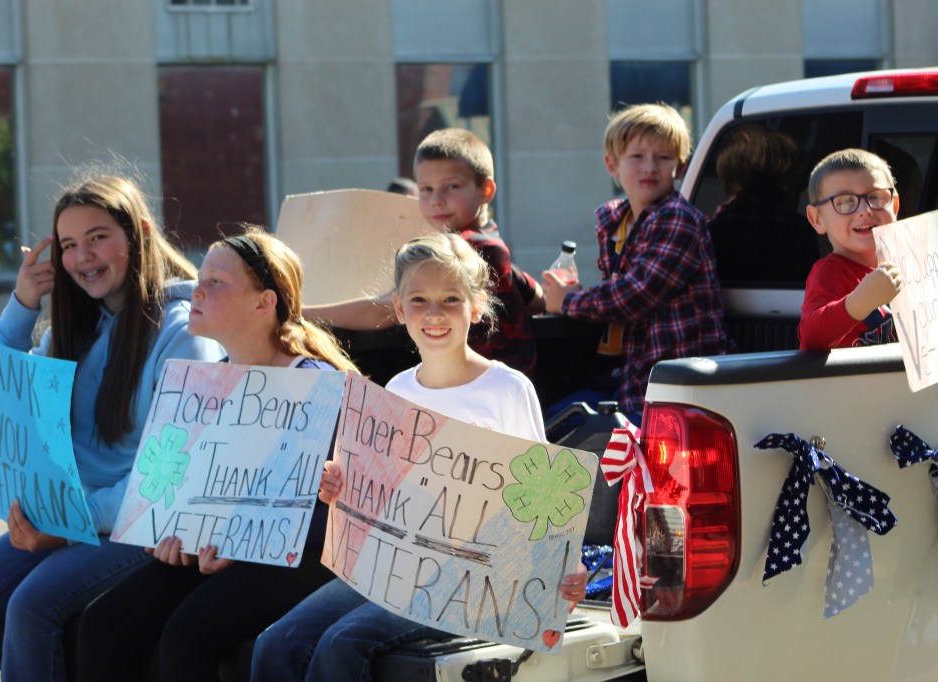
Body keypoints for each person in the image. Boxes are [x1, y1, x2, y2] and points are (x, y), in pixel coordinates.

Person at [0, 173, 225, 682]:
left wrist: (68, 527)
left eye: (98, 237)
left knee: (31, 609)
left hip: (129, 524)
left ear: (140, 234)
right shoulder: (76, 325)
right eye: (67, 245)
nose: (82, 257)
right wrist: (20, 309)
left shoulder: (184, 334)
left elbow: (169, 478)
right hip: (62, 518)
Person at [250, 232, 586, 682]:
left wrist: (564, 564)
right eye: (420, 299)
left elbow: (546, 498)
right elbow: (383, 500)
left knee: (340, 644)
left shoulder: (506, 389)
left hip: (471, 580)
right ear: (399, 307)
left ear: (477, 305)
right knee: (275, 643)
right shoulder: (397, 391)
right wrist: (344, 489)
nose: (434, 313)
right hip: (394, 567)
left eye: (451, 298)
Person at [75, 225, 360, 681]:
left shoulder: (316, 385)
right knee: (104, 622)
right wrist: (173, 533)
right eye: (200, 278)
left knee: (188, 636)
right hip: (221, 550)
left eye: (216, 283)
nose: (197, 290)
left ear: (264, 303)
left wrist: (237, 545)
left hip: (301, 560)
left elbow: (320, 518)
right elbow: (187, 492)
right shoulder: (204, 385)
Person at [542, 103, 732, 421]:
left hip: (672, 385)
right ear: (612, 165)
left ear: (680, 167)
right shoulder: (617, 221)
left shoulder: (676, 218)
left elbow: (636, 295)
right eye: (637, 157)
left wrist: (569, 301)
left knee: (571, 426)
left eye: (663, 157)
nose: (650, 167)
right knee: (552, 419)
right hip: (627, 375)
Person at [306, 128, 545, 378]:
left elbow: (384, 309)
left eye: (452, 186)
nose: (436, 200)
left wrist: (304, 313)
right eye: (426, 189)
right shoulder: (493, 242)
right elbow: (537, 298)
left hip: (478, 390)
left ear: (486, 190)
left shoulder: (469, 251)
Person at [798, 149, 902, 350]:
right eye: (845, 202)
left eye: (877, 197)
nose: (865, 211)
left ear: (895, 206)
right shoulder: (829, 273)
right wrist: (858, 303)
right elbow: (811, 337)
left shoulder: (909, 265)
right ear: (817, 219)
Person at [707, 124, 821, 287]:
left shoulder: (709, 228)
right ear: (782, 183)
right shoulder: (798, 230)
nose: (801, 190)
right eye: (797, 180)